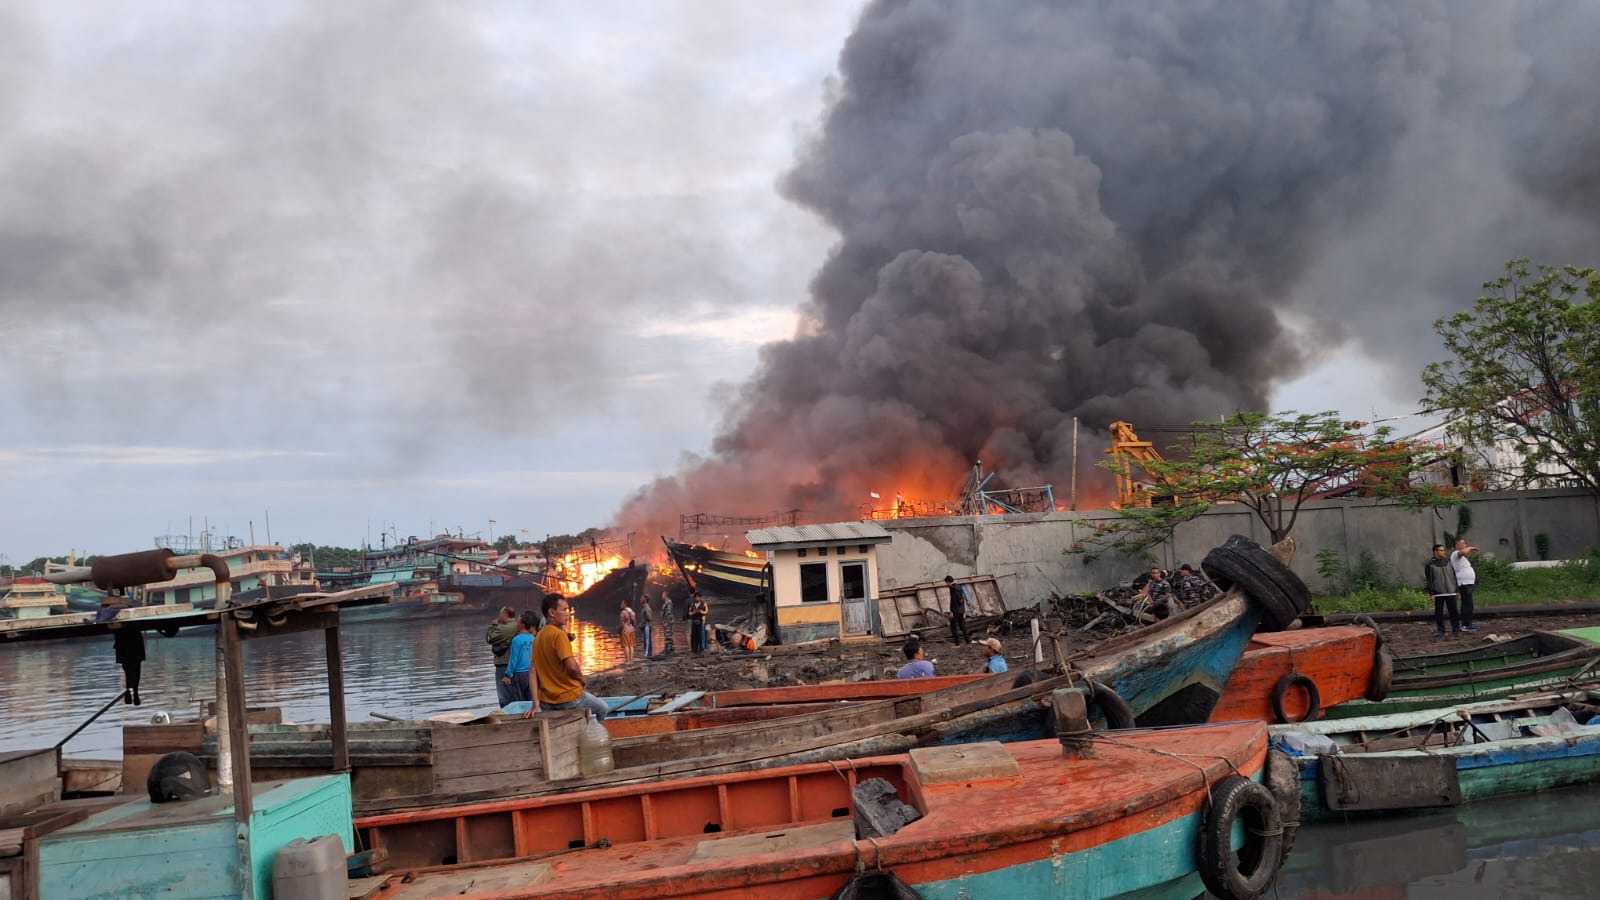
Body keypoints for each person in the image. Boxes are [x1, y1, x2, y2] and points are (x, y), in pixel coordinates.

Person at [527, 593, 610, 722]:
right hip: (568, 697)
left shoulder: (538, 637)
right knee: (602, 709)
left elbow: (532, 670)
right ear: (552, 612)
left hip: (546, 702)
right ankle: (591, 739)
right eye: (564, 610)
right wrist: (582, 678)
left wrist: (535, 703)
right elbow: (572, 668)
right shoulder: (559, 635)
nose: (568, 613)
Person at [1425, 543, 1461, 637]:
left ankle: (1456, 630)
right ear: (1436, 551)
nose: (1443, 552)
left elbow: (1454, 577)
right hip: (1438, 593)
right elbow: (1429, 580)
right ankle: (1441, 631)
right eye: (1441, 550)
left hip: (1451, 591)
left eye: (1443, 550)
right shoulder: (1430, 565)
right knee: (1439, 613)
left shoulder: (1448, 562)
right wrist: (1431, 593)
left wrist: (1457, 590)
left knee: (1454, 612)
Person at [502, 610, 537, 706]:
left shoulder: (516, 640)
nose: (516, 624)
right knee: (531, 699)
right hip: (532, 673)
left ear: (522, 625)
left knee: (519, 701)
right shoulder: (533, 639)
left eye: (518, 622)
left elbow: (513, 660)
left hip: (519, 675)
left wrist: (508, 675)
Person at [486, 606, 518, 707]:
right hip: (515, 665)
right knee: (514, 695)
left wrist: (494, 625)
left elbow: (489, 638)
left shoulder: (505, 628)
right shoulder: (518, 625)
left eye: (501, 614)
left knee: (504, 697)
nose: (499, 617)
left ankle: (508, 717)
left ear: (505, 615)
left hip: (504, 664)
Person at [1451, 538, 1480, 633]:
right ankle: (1466, 625)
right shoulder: (1455, 554)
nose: (1465, 545)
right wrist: (1471, 548)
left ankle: (1468, 623)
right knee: (1467, 604)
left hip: (1468, 583)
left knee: (1468, 604)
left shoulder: (1462, 558)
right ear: (1457, 545)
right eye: (1462, 543)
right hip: (1464, 583)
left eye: (1465, 543)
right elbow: (1462, 552)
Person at [113, 624, 146, 706]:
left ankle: (130, 691)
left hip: (124, 641)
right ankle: (134, 692)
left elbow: (111, 626)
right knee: (136, 668)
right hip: (132, 638)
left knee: (128, 669)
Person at [945, 576, 970, 643]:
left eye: (946, 583)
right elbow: (961, 599)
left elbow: (953, 600)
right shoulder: (959, 587)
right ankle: (968, 641)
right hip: (961, 610)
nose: (946, 584)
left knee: (954, 628)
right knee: (962, 626)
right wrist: (963, 610)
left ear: (948, 581)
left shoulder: (952, 588)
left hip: (955, 610)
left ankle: (957, 644)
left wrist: (951, 611)